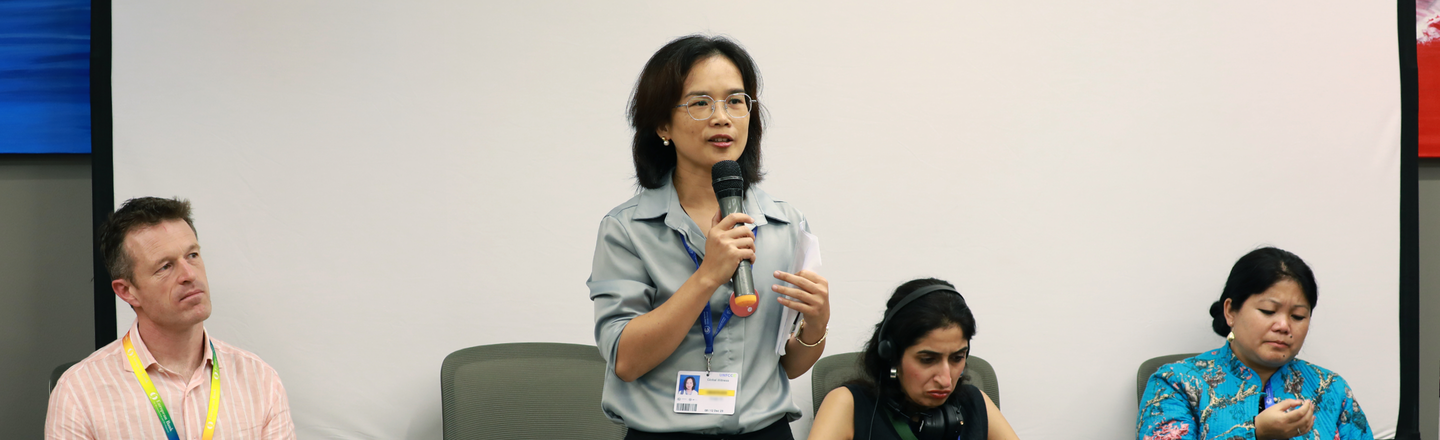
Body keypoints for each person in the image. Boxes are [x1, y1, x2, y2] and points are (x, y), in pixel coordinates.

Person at [589, 34, 831, 439]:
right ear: (663, 124)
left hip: (764, 431)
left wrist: (816, 325)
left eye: (736, 101)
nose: (722, 117)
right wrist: (707, 276)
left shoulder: (786, 224)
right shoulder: (627, 229)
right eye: (701, 103)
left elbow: (786, 366)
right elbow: (626, 361)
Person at [46, 197, 296, 440]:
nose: (189, 274)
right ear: (127, 291)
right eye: (165, 266)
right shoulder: (79, 392)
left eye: (192, 256)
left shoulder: (260, 379)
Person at [1136, 247, 1373, 440]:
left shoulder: (1331, 388)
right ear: (1230, 311)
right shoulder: (1176, 384)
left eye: (1298, 316)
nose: (1283, 325)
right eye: (1268, 311)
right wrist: (1256, 435)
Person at [809, 279, 1019, 440]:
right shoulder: (848, 404)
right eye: (928, 359)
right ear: (891, 355)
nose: (946, 380)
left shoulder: (974, 402)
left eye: (957, 358)